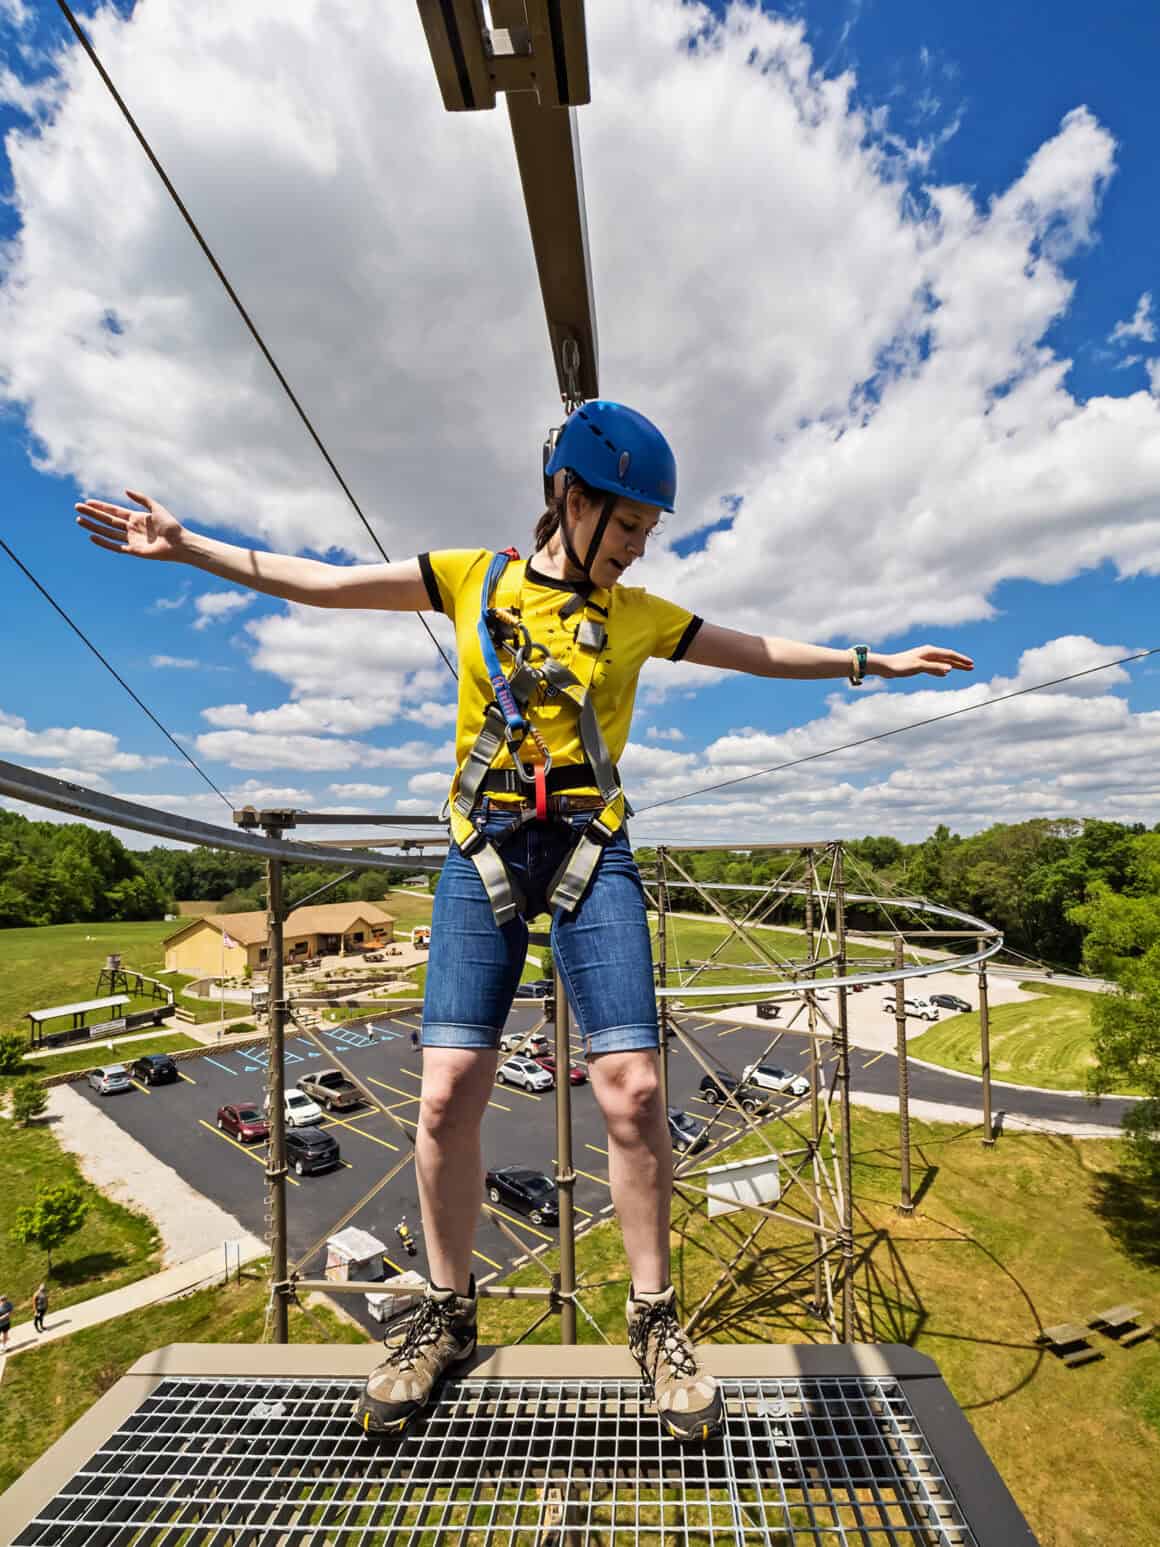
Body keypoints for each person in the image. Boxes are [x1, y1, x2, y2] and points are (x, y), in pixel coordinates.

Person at [75, 398, 972, 1441]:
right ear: (570, 498)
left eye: (647, 532)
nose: (637, 549)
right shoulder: (471, 579)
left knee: (634, 1088)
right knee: (449, 1086)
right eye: (628, 524)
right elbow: (319, 584)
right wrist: (192, 550)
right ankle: (444, 1315)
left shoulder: (637, 616)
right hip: (484, 847)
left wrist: (871, 662)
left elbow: (754, 649)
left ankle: (652, 1319)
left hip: (593, 848)